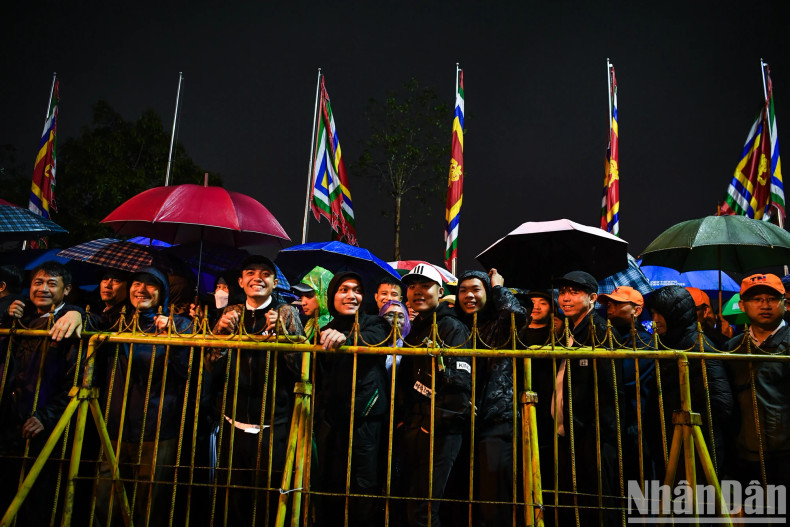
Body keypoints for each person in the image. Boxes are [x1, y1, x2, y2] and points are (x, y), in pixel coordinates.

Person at [205, 255, 304, 525]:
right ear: (241, 281)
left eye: (265, 273)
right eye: (250, 272)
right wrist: (220, 335)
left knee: (270, 497)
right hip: (232, 423)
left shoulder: (286, 312)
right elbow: (210, 367)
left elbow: (302, 370)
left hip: (273, 426)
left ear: (274, 283)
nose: (257, 278)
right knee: (233, 498)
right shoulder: (231, 313)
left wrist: (285, 336)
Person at [92, 266, 192, 527]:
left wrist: (174, 337)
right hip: (114, 423)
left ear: (164, 293)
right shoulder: (115, 320)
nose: (141, 289)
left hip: (157, 428)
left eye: (151, 285)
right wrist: (72, 313)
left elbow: (189, 373)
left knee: (149, 504)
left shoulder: (180, 324)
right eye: (136, 283)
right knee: (106, 500)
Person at [0, 262, 84, 525]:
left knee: (39, 503)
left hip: (45, 425)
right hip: (9, 422)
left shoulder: (70, 321)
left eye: (51, 283)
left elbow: (76, 380)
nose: (43, 289)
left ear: (66, 290)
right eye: (38, 282)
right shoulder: (20, 317)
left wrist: (78, 313)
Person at [396, 264, 471, 527]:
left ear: (440, 292)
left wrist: (433, 425)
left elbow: (459, 387)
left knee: (424, 508)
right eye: (412, 286)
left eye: (424, 286)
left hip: (440, 429)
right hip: (415, 425)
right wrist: (406, 420)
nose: (417, 291)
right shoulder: (417, 326)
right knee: (413, 501)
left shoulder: (451, 327)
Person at [314, 271, 391, 525]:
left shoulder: (376, 324)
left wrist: (346, 340)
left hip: (366, 422)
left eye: (357, 290)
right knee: (330, 486)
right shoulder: (323, 330)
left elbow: (373, 342)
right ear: (332, 296)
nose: (351, 295)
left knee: (363, 490)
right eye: (343, 289)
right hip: (331, 424)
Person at [455, 269, 528, 526]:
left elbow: (516, 316)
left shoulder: (499, 323)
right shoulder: (458, 325)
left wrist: (498, 287)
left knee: (493, 497)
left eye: (476, 289)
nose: (469, 295)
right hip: (465, 422)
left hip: (496, 421)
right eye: (463, 290)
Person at [551, 270, 622, 526]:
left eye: (574, 292)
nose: (565, 298)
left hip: (593, 437)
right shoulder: (570, 331)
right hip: (572, 432)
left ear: (592, 298)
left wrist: (591, 431)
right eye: (562, 292)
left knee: (598, 505)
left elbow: (610, 390)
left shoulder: (598, 331)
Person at [646, 285, 734, 482]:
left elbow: (721, 404)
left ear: (677, 315)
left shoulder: (699, 347)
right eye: (653, 313)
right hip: (671, 441)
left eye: (662, 314)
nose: (655, 320)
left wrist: (687, 413)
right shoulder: (666, 344)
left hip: (699, 444)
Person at [724, 274, 790, 490]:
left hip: (784, 455)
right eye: (756, 299)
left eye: (772, 298)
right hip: (745, 454)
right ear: (742, 305)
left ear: (785, 303)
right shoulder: (732, 348)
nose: (765, 305)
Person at [597, 286, 656, 482]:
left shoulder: (644, 342)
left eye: (618, 304)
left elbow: (623, 380)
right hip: (615, 427)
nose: (610, 308)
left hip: (635, 427)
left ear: (637, 310)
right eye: (609, 304)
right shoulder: (613, 338)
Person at [292, 265, 333, 342]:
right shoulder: (309, 322)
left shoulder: (333, 326)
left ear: (324, 295)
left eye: (308, 296)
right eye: (301, 296)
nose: (303, 303)